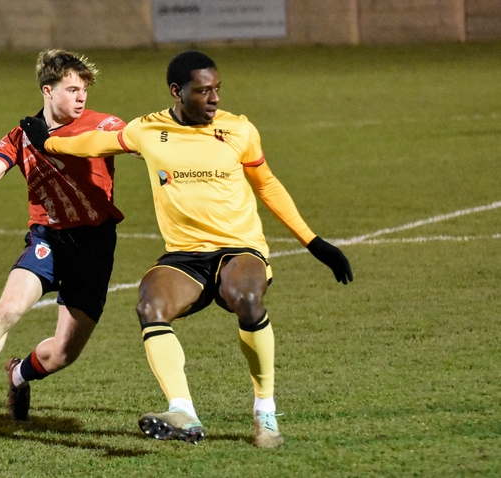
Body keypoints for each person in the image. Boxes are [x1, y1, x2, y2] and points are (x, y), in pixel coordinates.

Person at [20, 50, 353, 448]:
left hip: (239, 247)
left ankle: (265, 412)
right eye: (203, 91)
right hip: (185, 254)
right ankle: (183, 412)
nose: (215, 98)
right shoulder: (148, 130)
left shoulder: (239, 129)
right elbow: (94, 142)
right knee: (150, 306)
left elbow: (267, 184)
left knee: (246, 298)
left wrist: (313, 242)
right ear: (177, 92)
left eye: (217, 89)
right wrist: (49, 143)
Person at [0, 49, 126, 432]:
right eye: (72, 90)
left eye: (84, 90)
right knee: (7, 310)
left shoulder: (102, 124)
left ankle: (18, 375)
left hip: (93, 246)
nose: (81, 98)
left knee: (62, 354)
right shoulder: (22, 135)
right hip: (47, 240)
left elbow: (133, 142)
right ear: (47, 90)